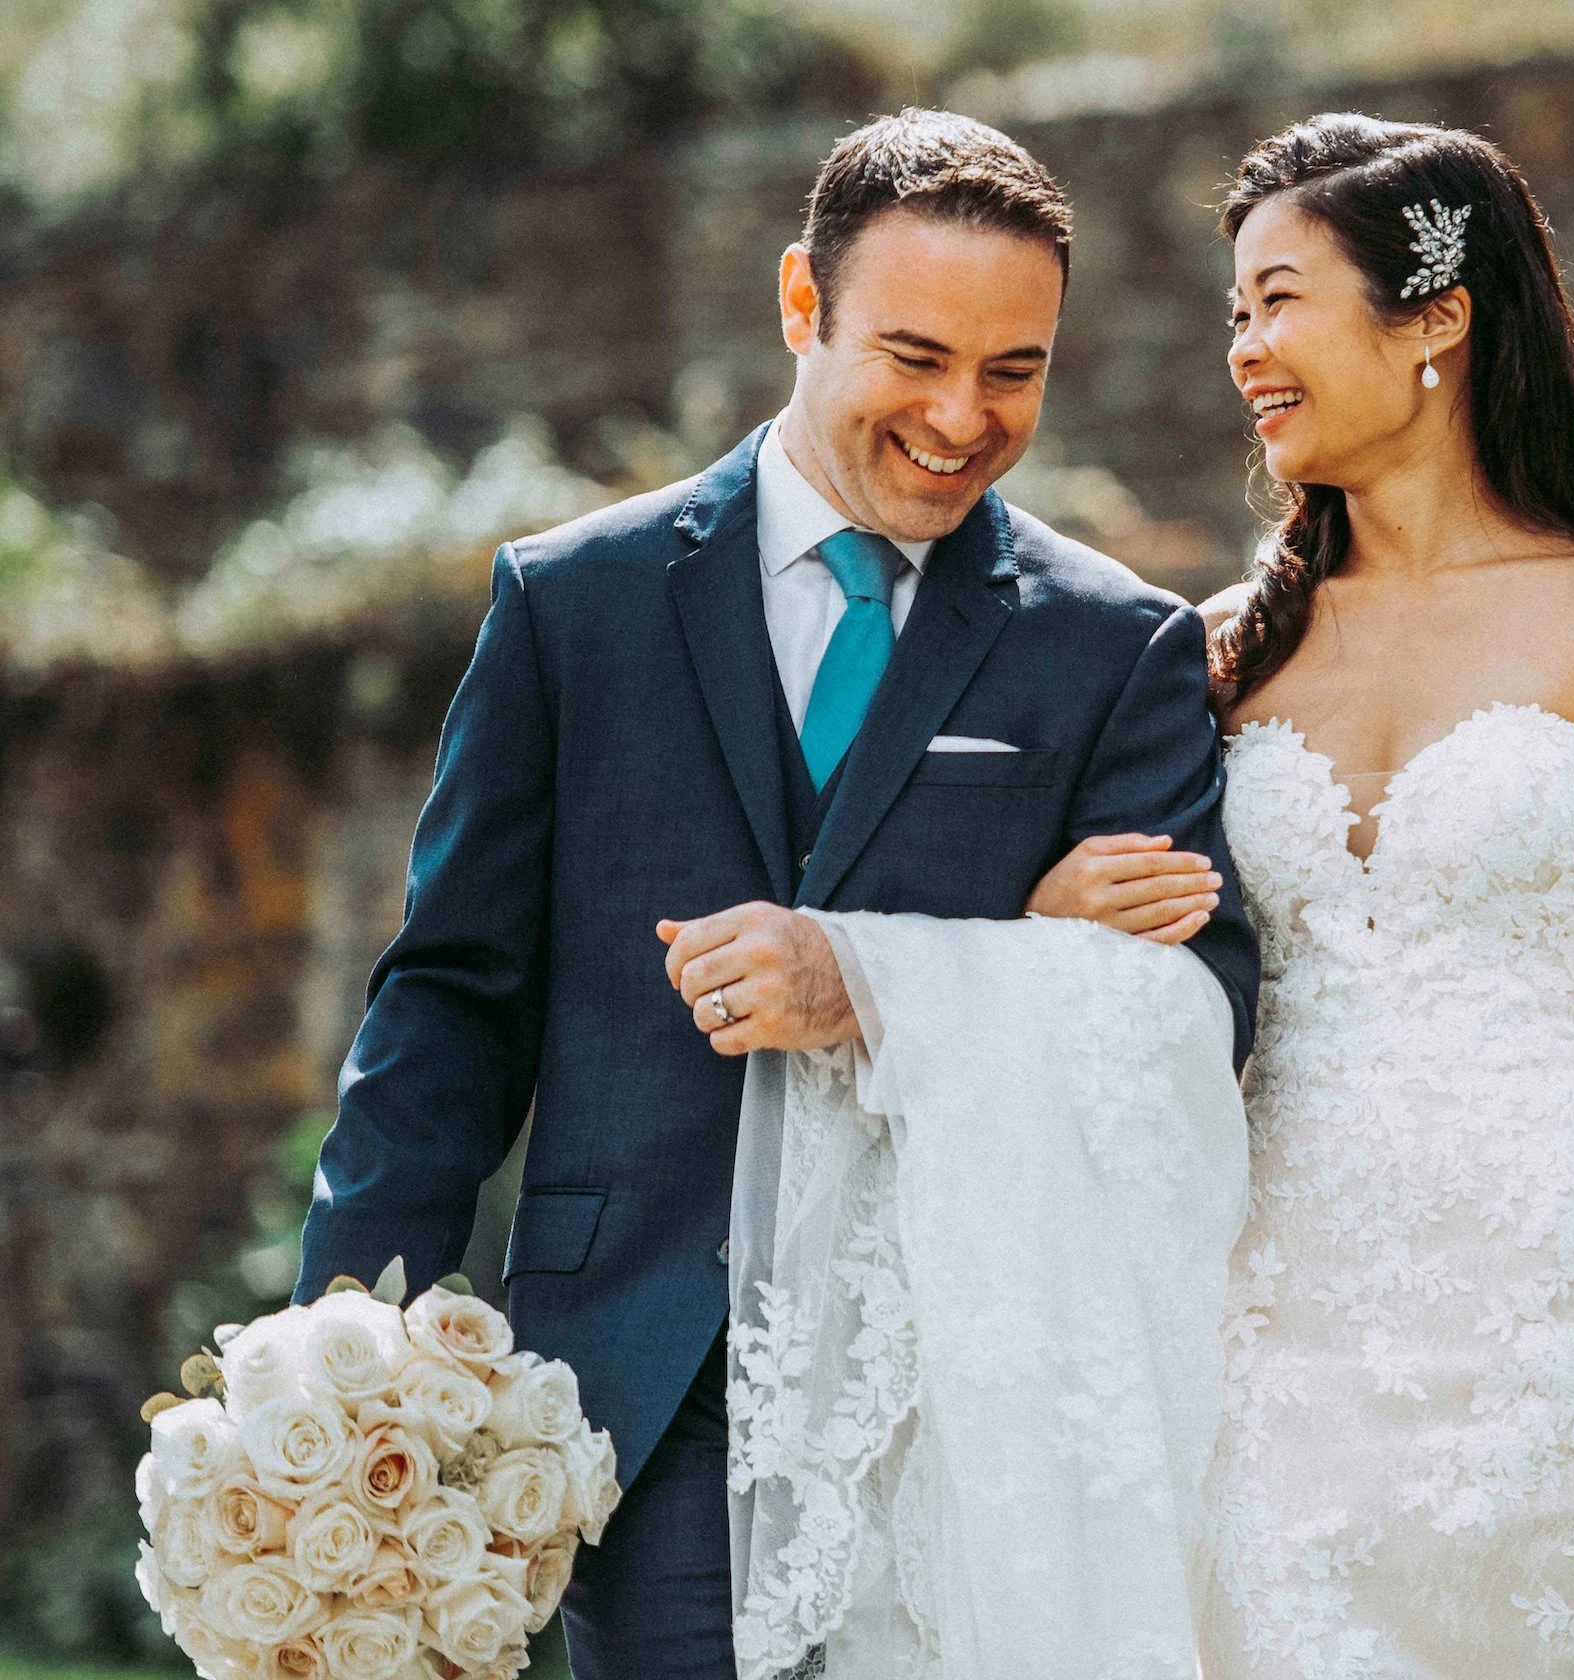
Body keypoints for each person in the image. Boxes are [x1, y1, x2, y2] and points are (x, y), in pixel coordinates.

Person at [292, 108, 1259, 1680]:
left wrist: (882, 977)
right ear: (802, 302)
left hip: (971, 1396)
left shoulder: (1114, 646)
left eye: (1014, 372)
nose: (962, 418)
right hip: (640, 1384)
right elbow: (456, 997)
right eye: (916, 356)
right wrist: (342, 1342)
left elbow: (1200, 1021)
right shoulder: (573, 604)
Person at [1031, 112, 1574, 1676]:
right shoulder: (1217, 650)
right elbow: (1133, 968)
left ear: (1433, 320)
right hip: (1270, 1311)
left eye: (1279, 301)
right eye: (1235, 312)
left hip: (1546, 1294)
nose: (1245, 348)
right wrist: (1057, 911)